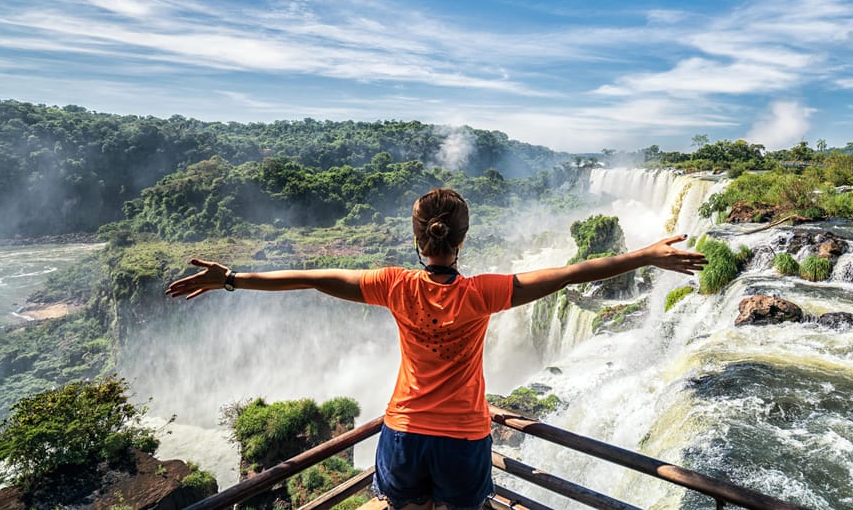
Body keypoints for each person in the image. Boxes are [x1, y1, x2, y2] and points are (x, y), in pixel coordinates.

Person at [165, 188, 705, 510]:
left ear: (417, 239)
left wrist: (232, 279)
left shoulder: (394, 285)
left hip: (402, 430)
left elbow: (310, 278)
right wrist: (643, 257)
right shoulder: (484, 292)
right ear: (461, 240)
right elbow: (570, 274)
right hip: (464, 435)